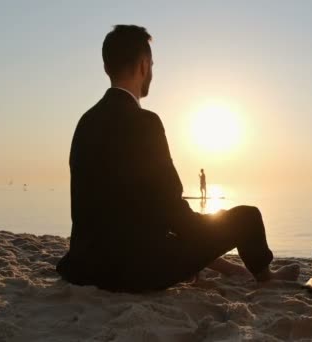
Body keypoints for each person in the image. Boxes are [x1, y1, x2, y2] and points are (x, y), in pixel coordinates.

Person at [56, 25, 299, 292]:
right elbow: (172, 211)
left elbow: (122, 208)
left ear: (106, 67)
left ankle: (228, 267)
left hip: (85, 266)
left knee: (180, 231)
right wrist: (216, 237)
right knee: (247, 217)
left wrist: (213, 260)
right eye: (152, 65)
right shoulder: (145, 123)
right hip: (132, 272)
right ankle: (266, 277)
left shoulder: (86, 122)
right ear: (144, 65)